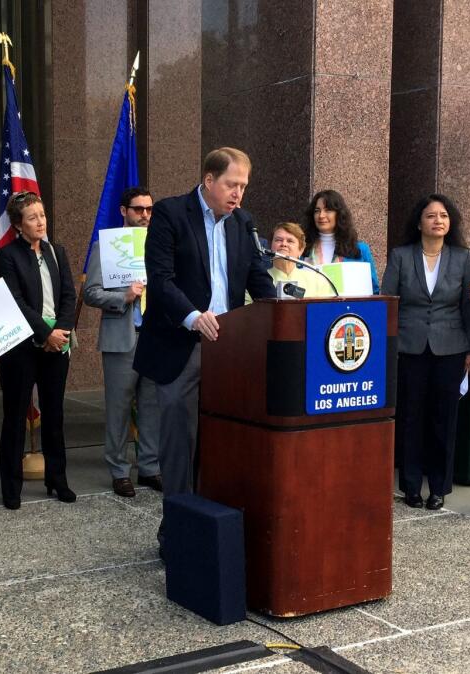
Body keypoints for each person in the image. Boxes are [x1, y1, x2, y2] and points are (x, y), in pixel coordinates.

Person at [133, 147, 275, 542]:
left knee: (222, 441)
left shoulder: (243, 223)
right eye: (232, 184)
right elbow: (160, 280)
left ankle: (213, 527)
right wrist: (194, 316)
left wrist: (283, 312)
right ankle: (177, 532)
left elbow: (257, 280)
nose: (238, 194)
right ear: (209, 180)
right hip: (183, 345)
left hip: (229, 350)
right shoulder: (170, 213)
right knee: (181, 446)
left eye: (244, 187)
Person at [381, 195, 470, 511]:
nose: (438, 220)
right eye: (430, 215)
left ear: (450, 223)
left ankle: (438, 487)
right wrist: (388, 345)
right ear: (419, 221)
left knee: (444, 419)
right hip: (409, 347)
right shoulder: (401, 256)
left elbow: (468, 308)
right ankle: (410, 486)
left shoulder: (463, 258)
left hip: (450, 348)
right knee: (411, 417)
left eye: (444, 215)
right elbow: (388, 302)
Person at [0, 191, 77, 510]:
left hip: (58, 343)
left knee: (54, 414)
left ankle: (58, 480)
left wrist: (62, 331)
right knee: (15, 416)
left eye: (42, 215)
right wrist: (44, 334)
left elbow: (69, 295)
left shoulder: (57, 251)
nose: (40, 221)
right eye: (32, 217)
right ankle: (11, 487)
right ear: (18, 224)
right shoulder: (7, 255)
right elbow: (15, 301)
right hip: (22, 347)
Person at [83, 186, 162, 498]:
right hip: (122, 336)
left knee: (151, 406)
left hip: (155, 336)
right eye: (138, 209)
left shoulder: (160, 247)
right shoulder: (107, 247)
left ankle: (149, 467)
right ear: (123, 211)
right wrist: (124, 296)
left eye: (149, 209)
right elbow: (91, 293)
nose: (144, 215)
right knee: (118, 408)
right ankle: (118, 470)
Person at [299, 190, 379, 294]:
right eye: (317, 211)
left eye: (327, 210)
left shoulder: (360, 249)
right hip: (311, 308)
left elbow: (374, 290)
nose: (321, 215)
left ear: (339, 214)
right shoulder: (302, 248)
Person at [247, 222, 336, 301]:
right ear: (271, 247)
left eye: (290, 241)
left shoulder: (317, 281)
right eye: (278, 240)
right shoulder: (256, 281)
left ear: (301, 250)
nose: (284, 244)